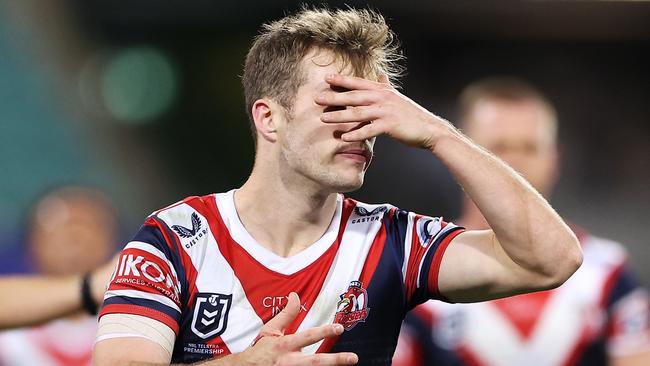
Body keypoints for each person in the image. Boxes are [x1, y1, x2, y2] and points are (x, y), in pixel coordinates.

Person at [92, 7, 582, 366]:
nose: (362, 128)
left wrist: (439, 134)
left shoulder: (392, 241)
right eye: (337, 105)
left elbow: (553, 260)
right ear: (269, 118)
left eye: (370, 109)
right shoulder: (175, 237)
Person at [392, 78, 650, 366]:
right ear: (457, 158)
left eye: (530, 147)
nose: (514, 162)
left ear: (555, 158)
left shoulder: (608, 272)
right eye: (497, 147)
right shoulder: (417, 267)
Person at [0, 186, 119, 365]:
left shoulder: (141, 324)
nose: (74, 240)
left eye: (88, 226)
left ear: (112, 241)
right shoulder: (10, 338)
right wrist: (90, 286)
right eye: (60, 227)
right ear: (31, 244)